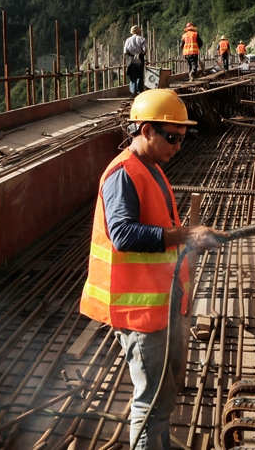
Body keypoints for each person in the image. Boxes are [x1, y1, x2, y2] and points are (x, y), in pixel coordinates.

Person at [80, 89, 230, 450]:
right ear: (146, 130)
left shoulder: (151, 168)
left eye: (182, 137)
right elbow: (124, 234)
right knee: (151, 403)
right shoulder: (124, 174)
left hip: (162, 304)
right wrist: (186, 234)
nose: (178, 145)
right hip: (139, 313)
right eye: (171, 137)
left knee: (164, 395)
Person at [124, 24, 148, 96]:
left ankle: (133, 92)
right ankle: (139, 91)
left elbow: (125, 51)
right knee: (140, 76)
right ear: (139, 32)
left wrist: (132, 55)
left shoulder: (128, 40)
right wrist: (142, 54)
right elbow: (145, 49)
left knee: (133, 76)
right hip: (140, 59)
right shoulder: (142, 39)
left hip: (131, 60)